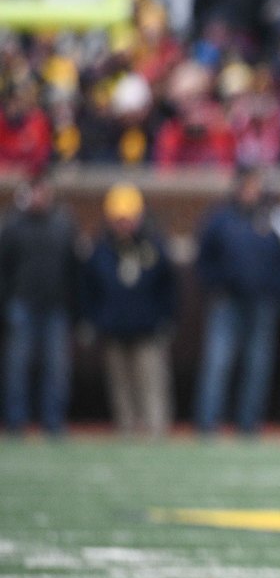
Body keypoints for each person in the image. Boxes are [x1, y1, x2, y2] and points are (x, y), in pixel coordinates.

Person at [192, 166, 280, 435]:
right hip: (227, 301)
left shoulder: (275, 218)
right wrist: (216, 285)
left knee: (257, 365)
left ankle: (248, 424)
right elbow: (204, 257)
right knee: (218, 362)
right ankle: (208, 422)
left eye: (256, 186)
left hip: (262, 302)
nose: (251, 191)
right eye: (247, 185)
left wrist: (277, 290)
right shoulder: (220, 218)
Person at [81, 184, 177, 438]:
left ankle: (156, 430)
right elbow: (89, 287)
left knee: (151, 381)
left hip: (147, 328)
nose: (124, 224)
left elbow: (168, 285)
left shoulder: (154, 245)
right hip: (113, 327)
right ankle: (126, 430)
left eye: (128, 218)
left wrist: (166, 318)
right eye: (119, 219)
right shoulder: (101, 248)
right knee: (120, 384)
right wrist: (94, 319)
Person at [0, 175, 78, 436]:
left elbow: (73, 269)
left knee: (56, 369)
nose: (38, 198)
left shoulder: (63, 224)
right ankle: (15, 421)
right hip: (21, 305)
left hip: (55, 306)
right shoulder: (13, 225)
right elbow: (4, 269)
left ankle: (53, 421)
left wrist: (74, 308)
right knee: (17, 367)